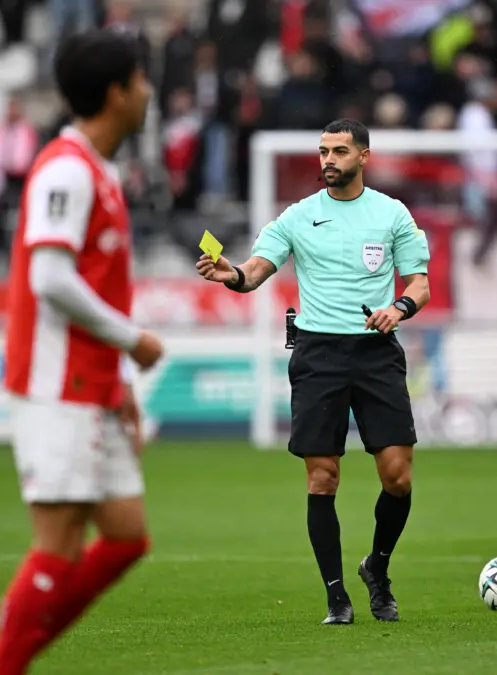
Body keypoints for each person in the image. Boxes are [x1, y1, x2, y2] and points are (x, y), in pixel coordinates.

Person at [0, 28, 163, 675]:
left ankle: (0, 662)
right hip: (57, 384)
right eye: (140, 80)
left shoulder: (98, 171)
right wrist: (132, 340)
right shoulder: (67, 170)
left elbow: (89, 282)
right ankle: (1, 668)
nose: (148, 92)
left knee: (126, 535)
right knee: (58, 543)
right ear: (117, 92)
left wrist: (118, 376)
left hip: (92, 382)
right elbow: (48, 276)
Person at [196, 119, 431, 624]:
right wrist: (230, 274)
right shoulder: (298, 217)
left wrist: (399, 308)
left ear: (363, 157)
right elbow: (253, 272)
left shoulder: (392, 213)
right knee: (323, 477)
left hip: (376, 351)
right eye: (324, 151)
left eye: (339, 151)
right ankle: (336, 598)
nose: (329, 159)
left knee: (398, 475)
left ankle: (377, 568)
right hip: (319, 354)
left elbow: (419, 284)